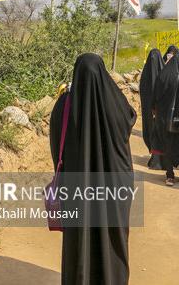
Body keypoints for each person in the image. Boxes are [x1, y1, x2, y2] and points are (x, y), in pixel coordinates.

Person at [50, 53, 137, 284]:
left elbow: (55, 144)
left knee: (79, 238)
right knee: (113, 236)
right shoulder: (115, 101)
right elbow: (130, 119)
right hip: (114, 188)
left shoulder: (64, 106)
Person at [153, 54, 179, 186]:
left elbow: (155, 98)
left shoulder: (162, 75)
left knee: (168, 146)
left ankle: (169, 176)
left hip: (163, 119)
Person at [139, 49, 165, 170]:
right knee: (159, 134)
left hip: (149, 112)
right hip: (160, 111)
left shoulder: (145, 75)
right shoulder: (163, 73)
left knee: (153, 133)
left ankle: (156, 160)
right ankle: (160, 161)